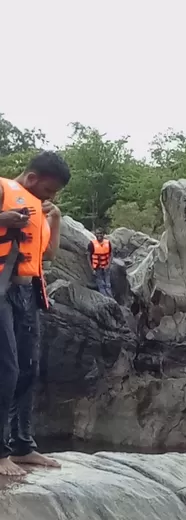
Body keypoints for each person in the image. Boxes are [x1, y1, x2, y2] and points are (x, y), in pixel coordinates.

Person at [0, 151, 69, 476]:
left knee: (29, 368)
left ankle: (23, 446)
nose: (50, 197)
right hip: (1, 290)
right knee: (7, 369)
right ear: (32, 179)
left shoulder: (38, 209)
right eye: (50, 191)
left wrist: (54, 218)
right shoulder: (3, 190)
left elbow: (50, 254)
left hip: (27, 292)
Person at [87, 229, 112, 297]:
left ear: (103, 234)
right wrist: (92, 269)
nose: (99, 235)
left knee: (108, 285)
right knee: (101, 285)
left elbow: (111, 254)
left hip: (106, 267)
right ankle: (106, 300)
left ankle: (111, 300)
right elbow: (88, 257)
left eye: (101, 233)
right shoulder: (91, 244)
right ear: (95, 235)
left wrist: (109, 265)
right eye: (97, 233)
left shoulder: (107, 243)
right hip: (97, 268)